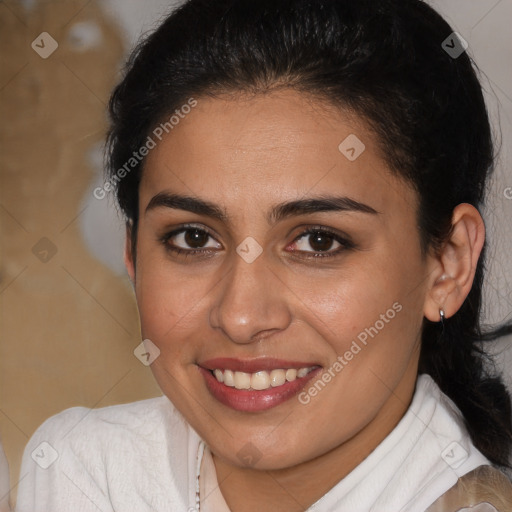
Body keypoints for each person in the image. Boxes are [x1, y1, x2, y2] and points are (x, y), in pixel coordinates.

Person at [15, 0, 512, 510]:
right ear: (133, 254)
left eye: (319, 241)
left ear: (448, 265)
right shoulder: (81, 472)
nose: (241, 316)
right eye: (193, 238)